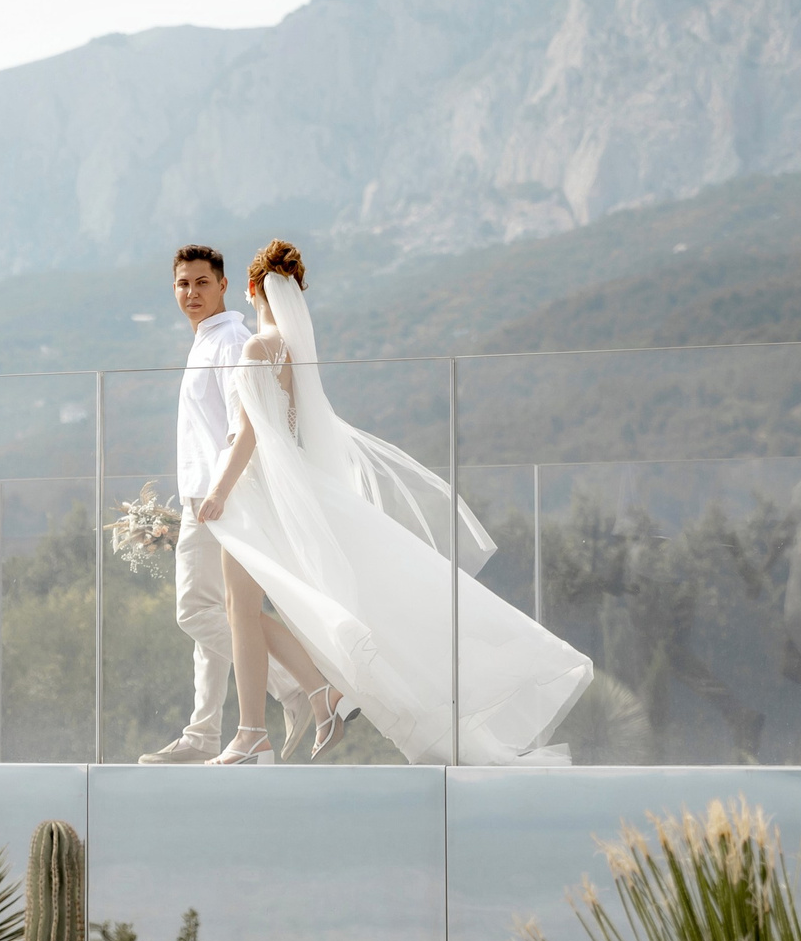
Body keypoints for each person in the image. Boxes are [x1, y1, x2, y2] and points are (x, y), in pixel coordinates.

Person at [192, 240, 594, 765]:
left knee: (239, 611)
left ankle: (256, 731)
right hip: (288, 487)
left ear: (248, 289)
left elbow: (248, 433)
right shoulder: (290, 351)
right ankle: (308, 701)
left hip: (257, 491)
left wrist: (219, 490)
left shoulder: (255, 349)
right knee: (246, 608)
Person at [136, 245, 317, 764]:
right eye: (182, 285)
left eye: (201, 283)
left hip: (221, 500)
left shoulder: (231, 341)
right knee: (211, 615)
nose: (191, 293)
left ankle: (290, 687)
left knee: (198, 610)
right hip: (204, 496)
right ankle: (202, 735)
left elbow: (249, 427)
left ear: (222, 286)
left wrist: (216, 496)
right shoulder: (208, 341)